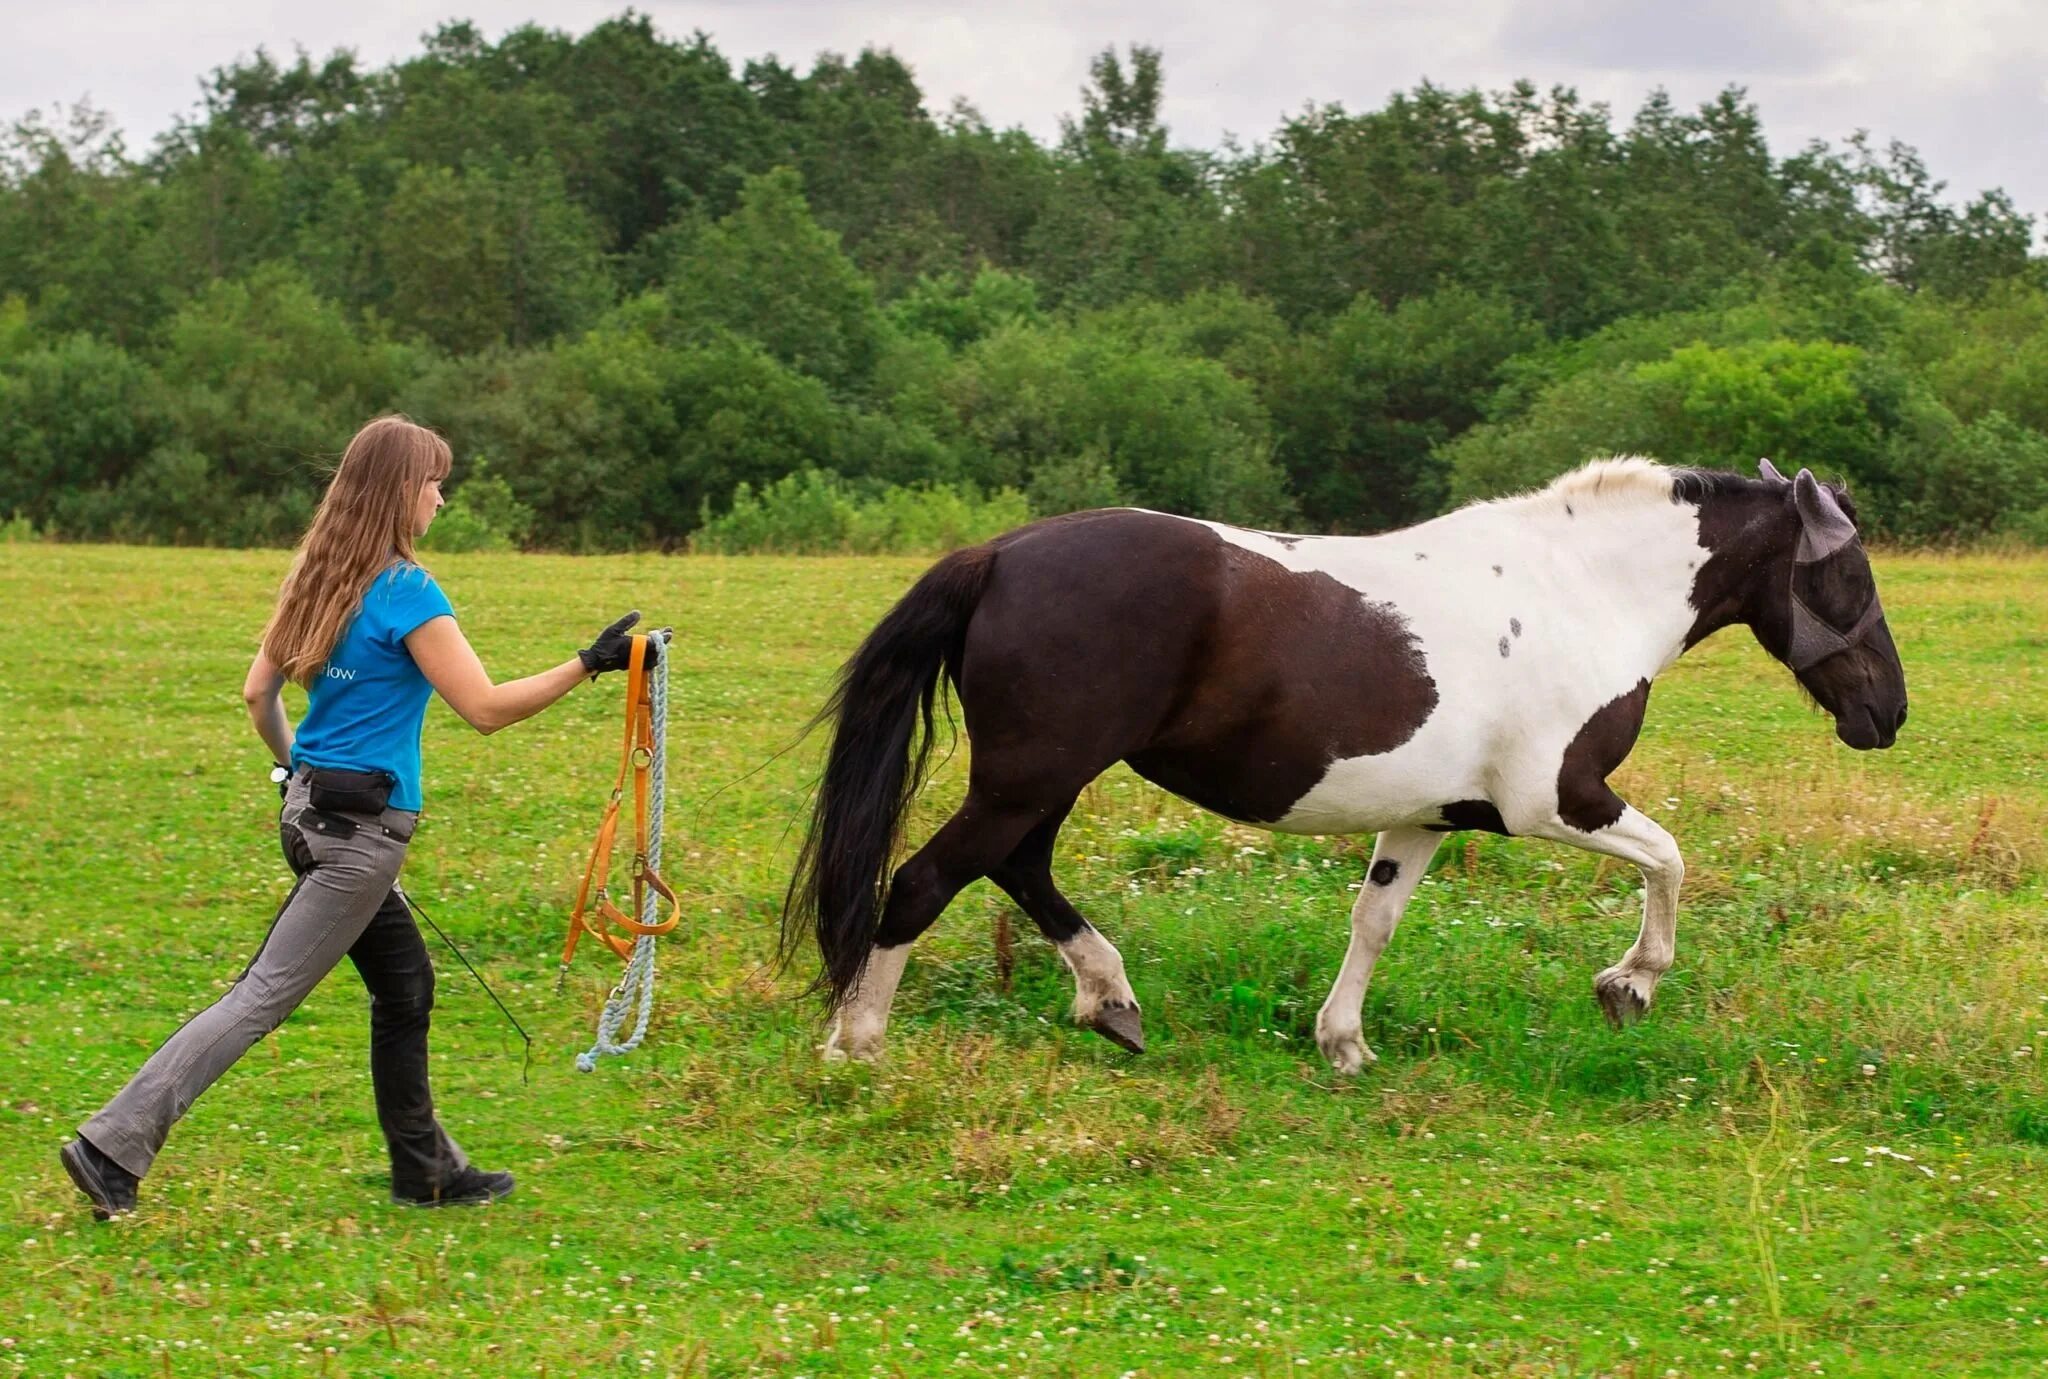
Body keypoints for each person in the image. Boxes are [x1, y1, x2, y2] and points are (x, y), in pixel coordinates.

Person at [61, 414, 652, 1217]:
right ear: (400, 490)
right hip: (361, 840)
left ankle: (426, 1171)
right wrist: (589, 663)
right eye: (434, 482)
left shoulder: (318, 574)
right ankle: (111, 1144)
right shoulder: (408, 590)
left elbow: (256, 693)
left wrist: (289, 764)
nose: (441, 499)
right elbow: (483, 708)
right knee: (261, 996)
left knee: (406, 986)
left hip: (308, 815)